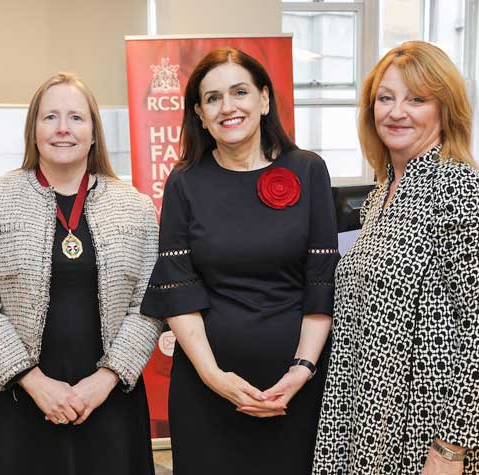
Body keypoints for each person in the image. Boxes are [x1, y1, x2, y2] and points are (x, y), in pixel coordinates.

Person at [313, 41, 479, 475]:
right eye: (385, 98)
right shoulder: (377, 199)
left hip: (425, 432)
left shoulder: (467, 190)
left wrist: (449, 451)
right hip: (366, 422)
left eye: (416, 99)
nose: (396, 112)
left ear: (445, 109)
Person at [140, 47, 339, 474]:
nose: (227, 107)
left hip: (296, 389)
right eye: (212, 98)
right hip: (206, 389)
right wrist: (215, 377)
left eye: (239, 92)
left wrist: (301, 371)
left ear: (264, 100)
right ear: (199, 113)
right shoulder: (184, 181)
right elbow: (178, 288)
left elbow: (321, 283)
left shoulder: (308, 170)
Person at [0, 72, 161, 475]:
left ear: (94, 132)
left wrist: (104, 380)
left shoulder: (135, 206)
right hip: (19, 399)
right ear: (33, 131)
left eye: (76, 118)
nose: (63, 128)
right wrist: (33, 382)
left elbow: (149, 303)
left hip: (110, 399)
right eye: (50, 117)